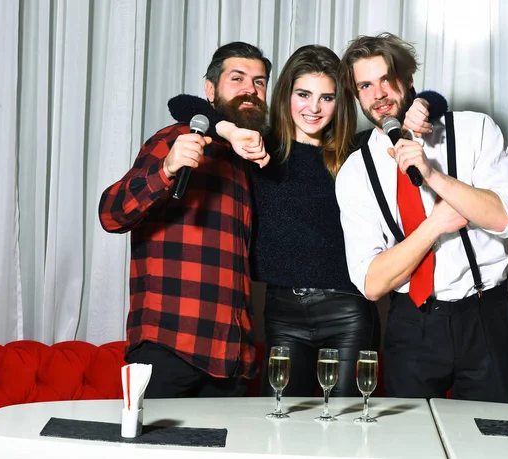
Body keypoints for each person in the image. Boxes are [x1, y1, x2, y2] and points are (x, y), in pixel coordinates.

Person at [168, 44, 447, 397]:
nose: (313, 108)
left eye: (327, 98)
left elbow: (436, 104)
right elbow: (181, 106)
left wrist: (421, 105)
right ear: (286, 95)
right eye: (303, 94)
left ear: (341, 102)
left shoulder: (358, 152)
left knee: (349, 420)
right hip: (282, 312)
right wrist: (229, 131)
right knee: (282, 422)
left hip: (348, 309)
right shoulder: (255, 147)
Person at [336, 32, 508, 402]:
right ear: (357, 96)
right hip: (413, 323)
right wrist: (435, 224)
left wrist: (434, 176)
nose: (378, 94)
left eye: (387, 79)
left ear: (408, 81)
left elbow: (506, 218)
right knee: (411, 447)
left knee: (489, 440)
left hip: (486, 314)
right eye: (365, 85)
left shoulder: (475, 130)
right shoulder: (356, 171)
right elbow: (372, 282)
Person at [98, 42, 273, 398]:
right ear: (210, 89)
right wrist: (165, 169)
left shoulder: (247, 162)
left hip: (231, 358)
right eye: (237, 78)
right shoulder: (176, 139)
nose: (249, 90)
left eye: (259, 82)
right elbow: (110, 214)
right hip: (170, 345)